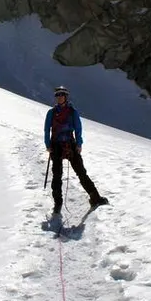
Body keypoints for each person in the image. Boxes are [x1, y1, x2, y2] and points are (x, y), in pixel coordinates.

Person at [44, 86, 108, 215]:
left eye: (62, 95)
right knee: (57, 175)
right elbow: (46, 130)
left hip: (70, 145)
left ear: (66, 96)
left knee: (81, 172)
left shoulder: (72, 112)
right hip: (57, 145)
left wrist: (79, 144)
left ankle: (94, 196)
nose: (60, 97)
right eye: (58, 95)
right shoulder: (52, 112)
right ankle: (58, 202)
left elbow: (78, 129)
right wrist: (47, 144)